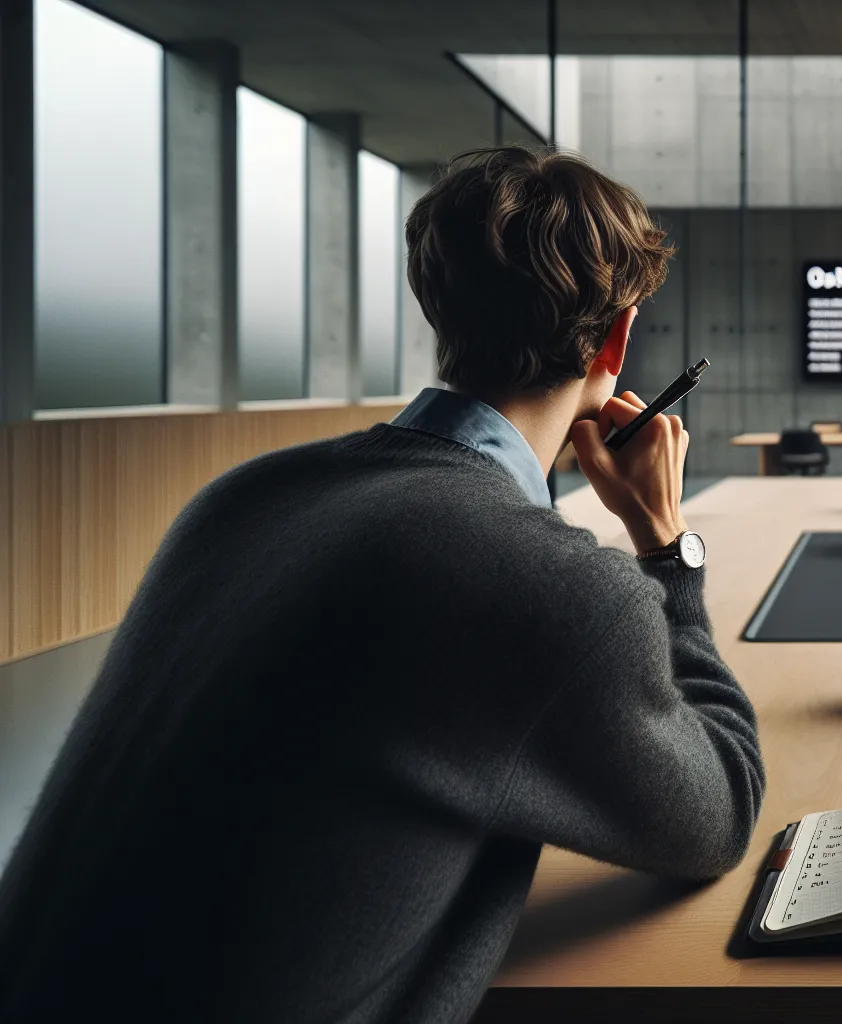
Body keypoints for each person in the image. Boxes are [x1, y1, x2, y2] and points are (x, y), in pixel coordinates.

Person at [0, 147, 763, 1023]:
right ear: (618, 338)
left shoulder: (240, 499)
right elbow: (719, 807)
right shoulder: (551, 587)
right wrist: (667, 547)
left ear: (439, 304)